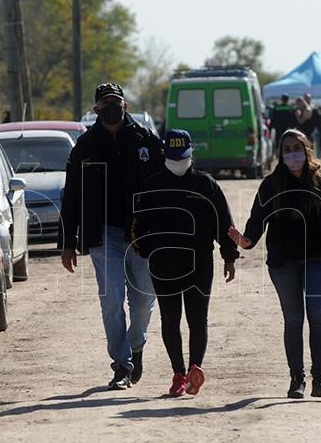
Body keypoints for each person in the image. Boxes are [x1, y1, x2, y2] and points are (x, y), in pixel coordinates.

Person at [227, 129, 321, 398]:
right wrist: (246, 241)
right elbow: (256, 220)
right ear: (280, 153)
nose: (292, 153)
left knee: (318, 315)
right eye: (287, 149)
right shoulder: (272, 185)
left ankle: (320, 378)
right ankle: (297, 379)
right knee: (294, 319)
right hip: (284, 263)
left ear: (307, 149)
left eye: (297, 147)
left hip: (319, 259)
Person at [59, 82, 165, 390]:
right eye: (105, 103)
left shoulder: (146, 139)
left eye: (116, 101)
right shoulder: (85, 146)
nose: (111, 107)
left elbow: (164, 186)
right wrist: (67, 242)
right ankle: (122, 365)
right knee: (111, 299)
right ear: (96, 109)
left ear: (125, 105)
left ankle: (136, 346)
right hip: (103, 231)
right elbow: (72, 196)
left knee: (144, 300)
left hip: (143, 233)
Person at [133, 129, 239, 397]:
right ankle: (178, 373)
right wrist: (145, 250)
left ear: (192, 153)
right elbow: (136, 225)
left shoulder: (206, 185)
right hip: (163, 263)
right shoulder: (151, 184)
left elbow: (224, 224)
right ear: (164, 155)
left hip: (199, 262)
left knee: (197, 318)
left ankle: (195, 369)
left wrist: (229, 256)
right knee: (170, 318)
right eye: (172, 157)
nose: (178, 162)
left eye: (182, 157)